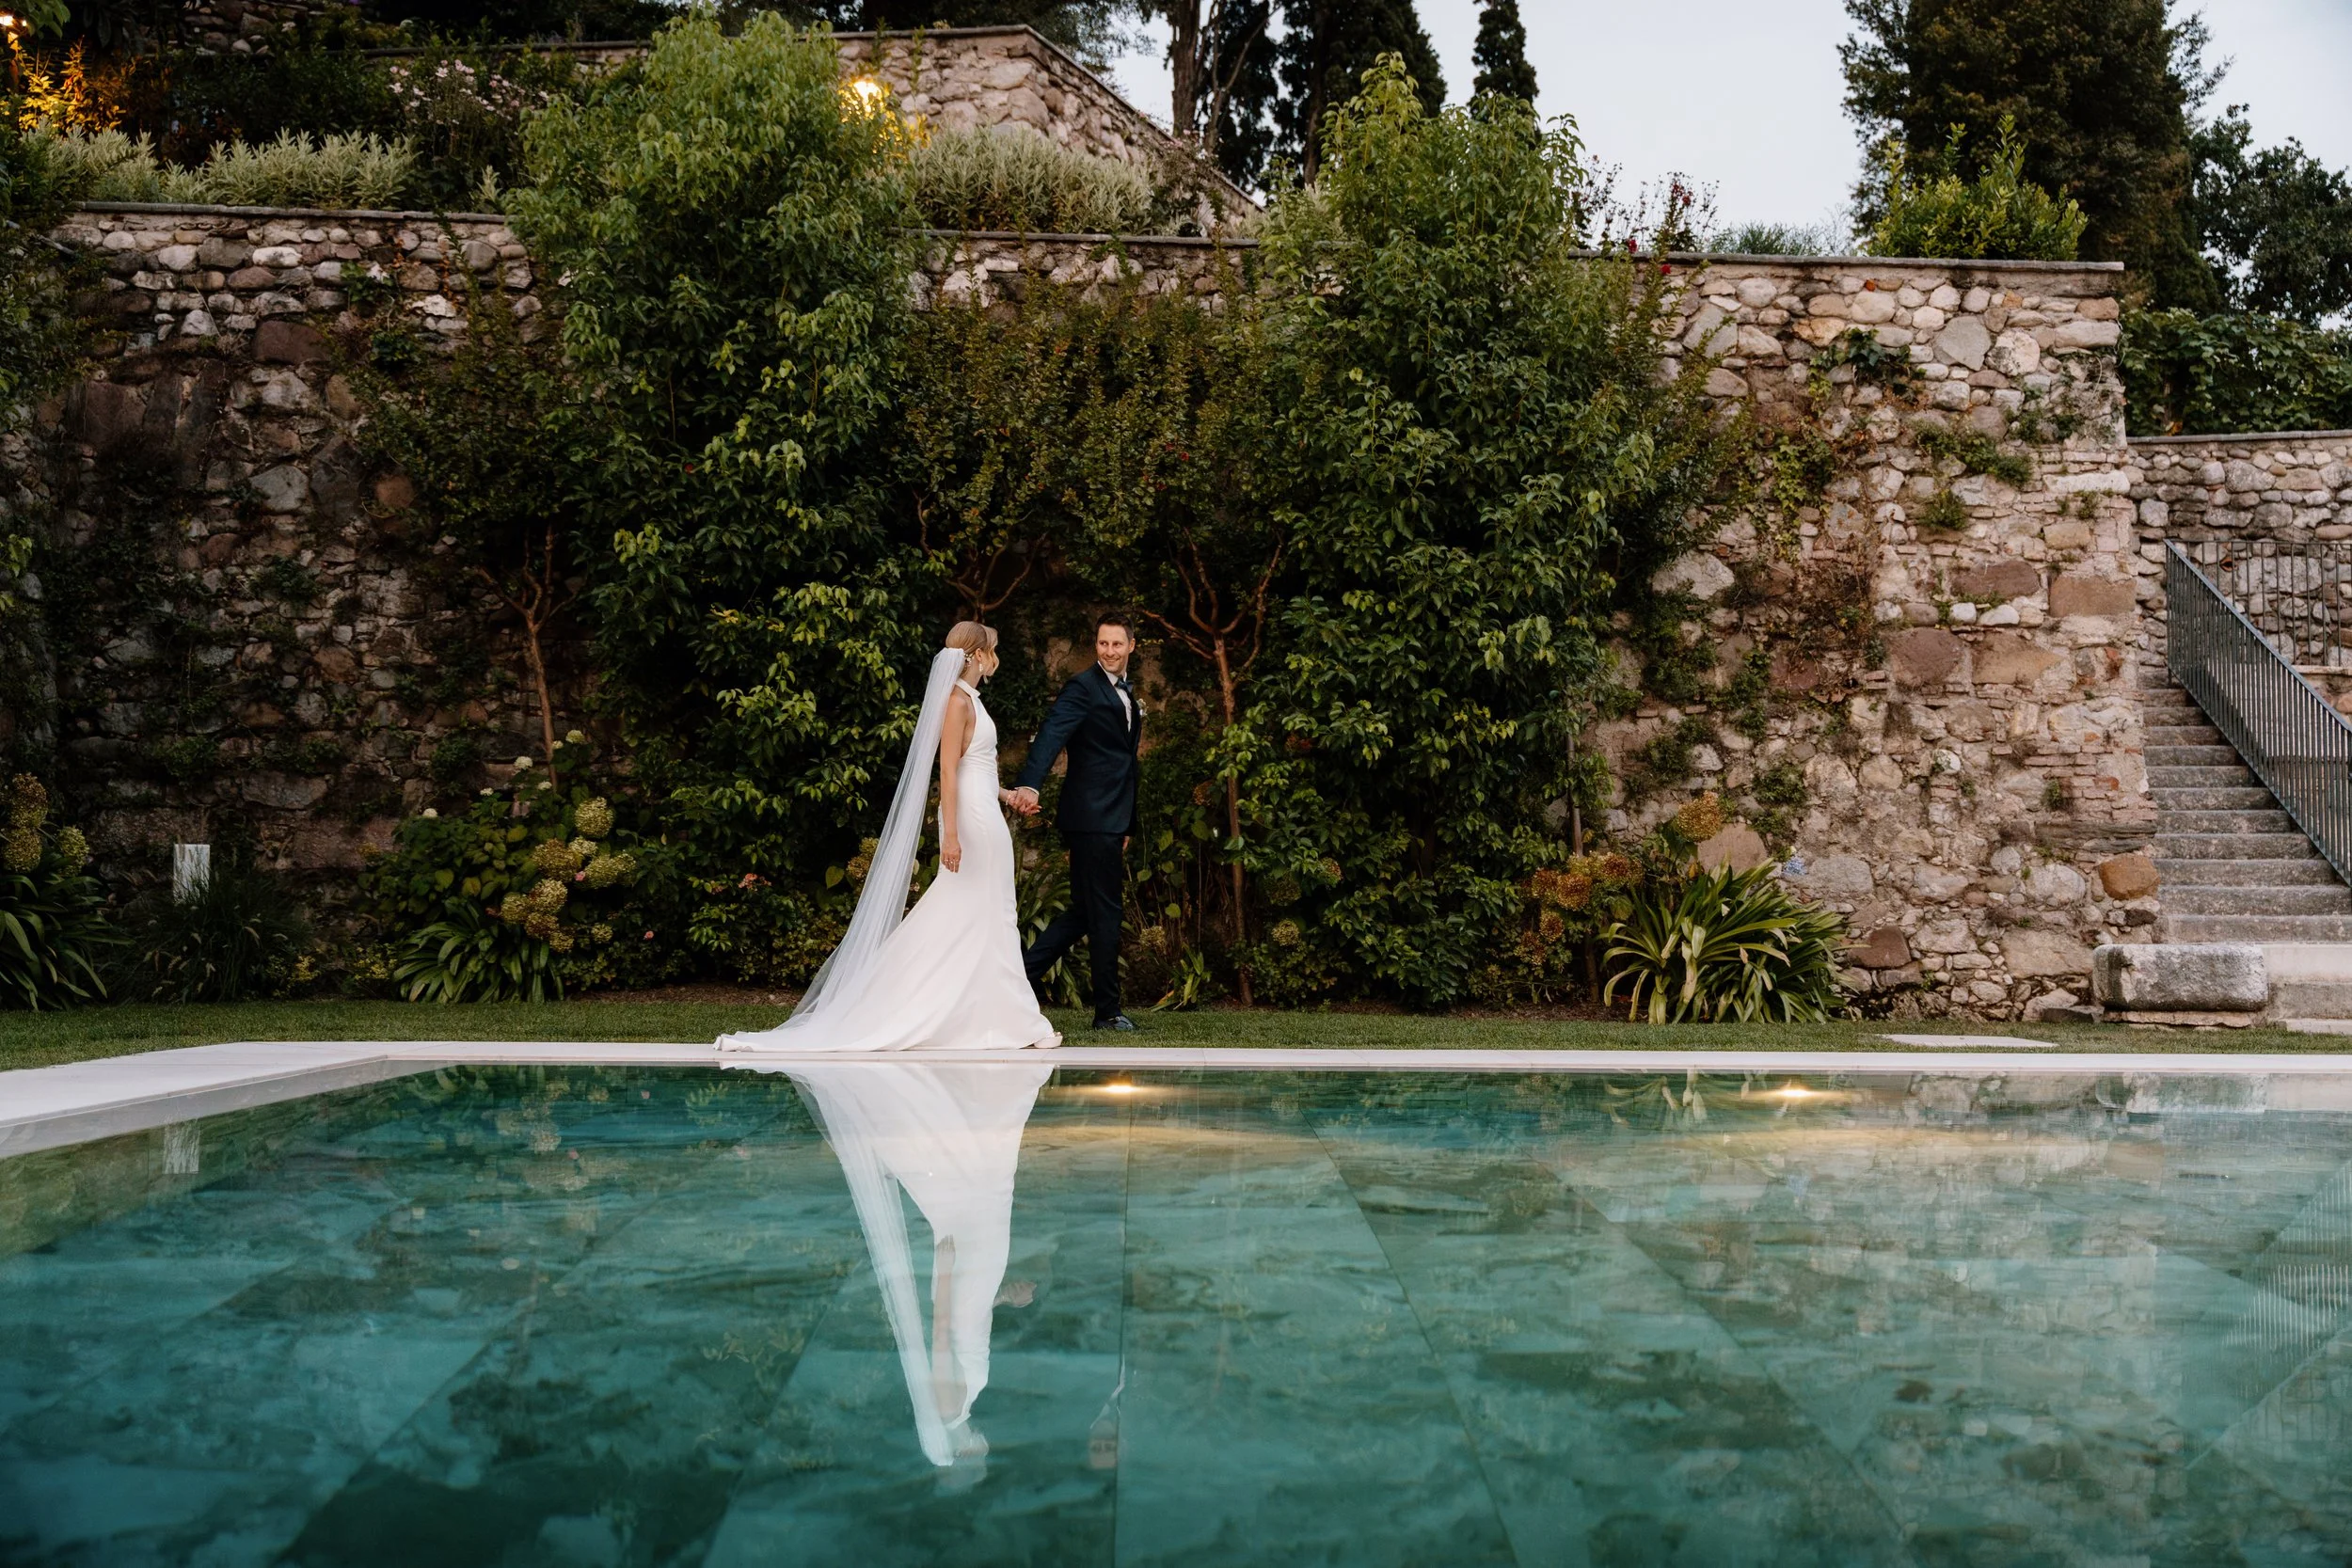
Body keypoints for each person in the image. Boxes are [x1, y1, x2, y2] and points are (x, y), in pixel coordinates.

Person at [717, 622, 1058, 1053]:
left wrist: (1009, 795)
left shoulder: (971, 700)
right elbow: (948, 772)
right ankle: (1016, 1023)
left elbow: (978, 768)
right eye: (992, 649)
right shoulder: (956, 702)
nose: (997, 657)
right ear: (975, 655)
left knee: (985, 913)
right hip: (971, 819)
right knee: (987, 911)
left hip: (984, 809)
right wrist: (950, 834)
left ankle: (998, 1020)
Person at [1009, 612, 1141, 1031]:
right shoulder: (1083, 688)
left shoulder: (1124, 693)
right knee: (1105, 912)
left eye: (1117, 644)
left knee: (1085, 912)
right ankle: (1107, 1012)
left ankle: (1016, 979)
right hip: (1090, 816)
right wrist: (1030, 784)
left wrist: (1127, 825)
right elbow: (1051, 734)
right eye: (1103, 644)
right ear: (1095, 645)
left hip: (1109, 819)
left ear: (1131, 646)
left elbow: (1124, 765)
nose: (1109, 651)